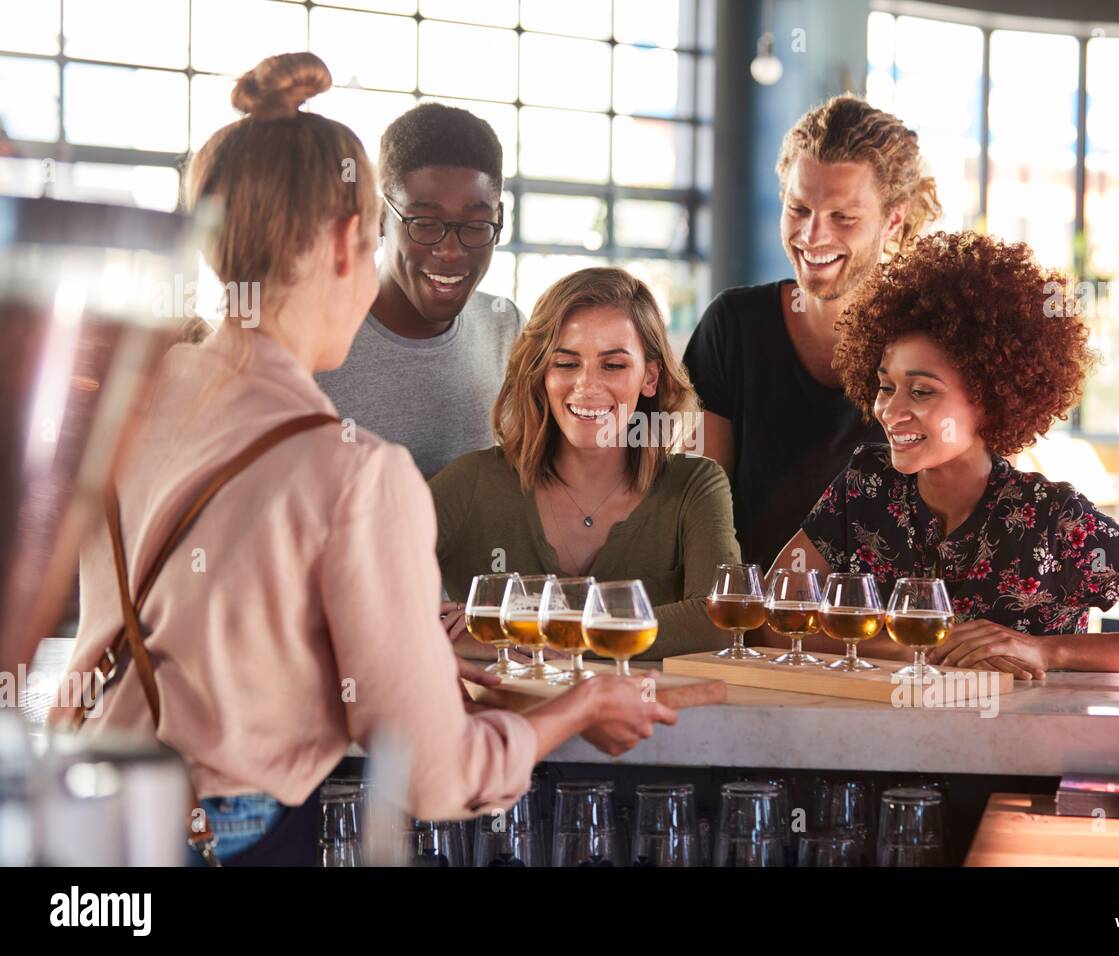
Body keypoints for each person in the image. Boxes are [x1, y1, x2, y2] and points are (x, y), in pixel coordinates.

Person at [55, 53, 674, 865]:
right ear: (358, 236)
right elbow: (434, 772)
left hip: (78, 816)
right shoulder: (357, 473)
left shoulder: (130, 401)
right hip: (230, 835)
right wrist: (580, 706)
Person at [769, 231, 1119, 676]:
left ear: (989, 398)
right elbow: (772, 619)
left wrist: (1047, 649)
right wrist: (922, 649)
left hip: (1026, 756)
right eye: (885, 386)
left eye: (921, 392)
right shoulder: (865, 487)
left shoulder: (1055, 521)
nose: (890, 411)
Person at [683, 93, 942, 567]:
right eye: (799, 209)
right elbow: (700, 503)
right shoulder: (734, 327)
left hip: (884, 629)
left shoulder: (936, 343)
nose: (813, 236)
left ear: (893, 221)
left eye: (843, 217)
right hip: (752, 622)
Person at [431, 267, 741, 660]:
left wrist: (523, 630)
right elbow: (358, 578)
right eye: (566, 363)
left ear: (649, 376)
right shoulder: (472, 481)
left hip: (653, 721)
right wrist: (430, 625)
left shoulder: (695, 485)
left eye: (613, 365)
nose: (587, 386)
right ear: (541, 372)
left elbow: (714, 620)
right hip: (505, 719)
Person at [315, 101, 524, 480]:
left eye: (476, 225)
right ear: (379, 217)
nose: (451, 250)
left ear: (500, 220)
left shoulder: (506, 330)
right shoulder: (312, 341)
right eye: (425, 223)